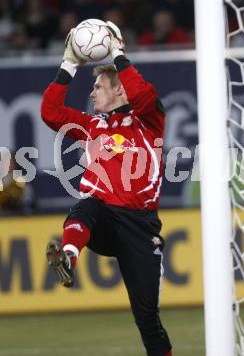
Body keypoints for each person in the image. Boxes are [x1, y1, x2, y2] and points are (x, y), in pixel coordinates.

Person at [40, 21, 172, 356]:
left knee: (148, 319)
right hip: (102, 222)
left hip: (141, 227)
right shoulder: (90, 126)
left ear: (119, 91)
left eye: (98, 86)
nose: (92, 92)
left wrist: (118, 56)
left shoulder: (149, 122)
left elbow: (143, 95)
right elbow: (50, 112)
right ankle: (69, 258)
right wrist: (69, 64)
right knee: (87, 204)